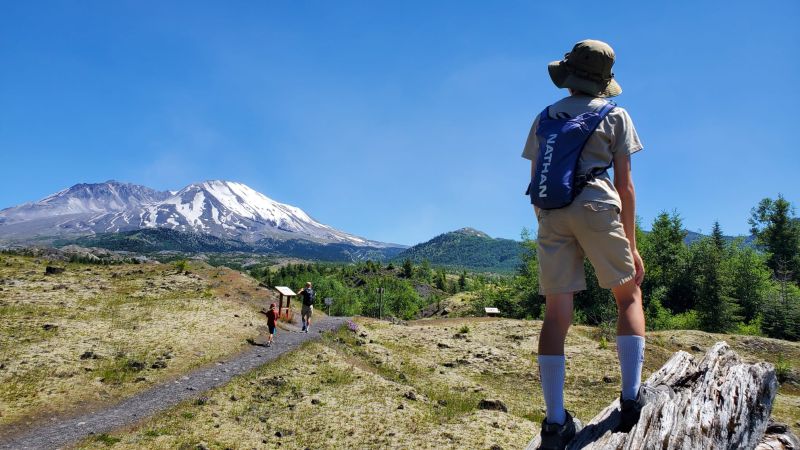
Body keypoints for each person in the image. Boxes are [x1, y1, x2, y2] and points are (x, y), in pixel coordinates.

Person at [522, 40, 647, 449]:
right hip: (596, 205)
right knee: (628, 296)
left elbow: (537, 177)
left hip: (552, 213)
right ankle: (631, 400)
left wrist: (547, 222)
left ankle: (555, 423)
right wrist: (631, 243)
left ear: (569, 76)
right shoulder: (616, 115)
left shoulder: (545, 117)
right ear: (603, 80)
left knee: (557, 315)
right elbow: (626, 186)